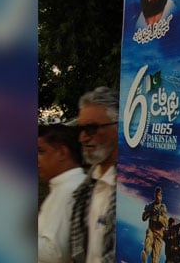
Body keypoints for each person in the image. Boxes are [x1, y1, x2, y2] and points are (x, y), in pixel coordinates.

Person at [70, 87, 119, 263]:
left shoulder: (129, 190)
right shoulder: (84, 190)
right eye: (81, 129)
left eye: (91, 128)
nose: (82, 138)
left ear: (118, 127)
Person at [38, 124, 86, 263]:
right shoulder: (62, 186)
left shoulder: (70, 189)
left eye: (41, 151)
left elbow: (56, 253)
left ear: (62, 153)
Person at [141, 186, 169, 263]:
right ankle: (145, 254)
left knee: (155, 256)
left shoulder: (163, 208)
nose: (158, 197)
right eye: (157, 195)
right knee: (148, 242)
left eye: (159, 195)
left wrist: (158, 217)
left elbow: (166, 223)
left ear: (161, 196)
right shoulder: (150, 205)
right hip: (151, 230)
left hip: (159, 234)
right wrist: (148, 212)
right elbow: (143, 218)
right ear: (155, 195)